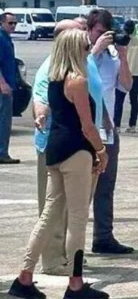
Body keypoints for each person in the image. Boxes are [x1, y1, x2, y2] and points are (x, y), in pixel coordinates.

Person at [8, 28, 110, 299]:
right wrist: (101, 151)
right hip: (76, 151)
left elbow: (46, 108)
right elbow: (87, 126)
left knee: (49, 214)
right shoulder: (77, 81)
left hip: (55, 150)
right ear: (77, 50)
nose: (89, 50)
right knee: (77, 219)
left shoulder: (55, 80)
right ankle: (75, 283)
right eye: (86, 47)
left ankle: (24, 276)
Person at [31, 19, 107, 276]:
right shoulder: (54, 69)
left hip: (76, 145)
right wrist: (101, 151)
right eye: (81, 32)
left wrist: (106, 123)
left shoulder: (84, 64)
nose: (86, 36)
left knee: (62, 209)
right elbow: (40, 98)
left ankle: (33, 270)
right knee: (67, 214)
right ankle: (56, 262)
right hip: (70, 146)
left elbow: (97, 97)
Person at [87, 9, 135, 256]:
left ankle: (103, 237)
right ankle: (68, 242)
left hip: (108, 130)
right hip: (84, 129)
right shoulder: (82, 52)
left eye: (107, 33)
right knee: (81, 189)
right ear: (89, 31)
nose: (103, 38)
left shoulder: (114, 56)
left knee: (106, 186)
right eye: (98, 32)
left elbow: (126, 85)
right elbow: (79, 76)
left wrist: (124, 56)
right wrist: (95, 50)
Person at [115, 20, 138, 134]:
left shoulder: (120, 41)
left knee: (119, 100)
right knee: (134, 100)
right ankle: (132, 125)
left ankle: (117, 125)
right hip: (137, 73)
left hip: (124, 73)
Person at [0, 11, 20, 164]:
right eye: (10, 23)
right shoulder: (1, 39)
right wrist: (2, 83)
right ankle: (2, 153)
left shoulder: (6, 39)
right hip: (3, 88)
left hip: (8, 85)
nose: (13, 26)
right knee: (4, 121)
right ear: (2, 23)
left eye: (15, 23)